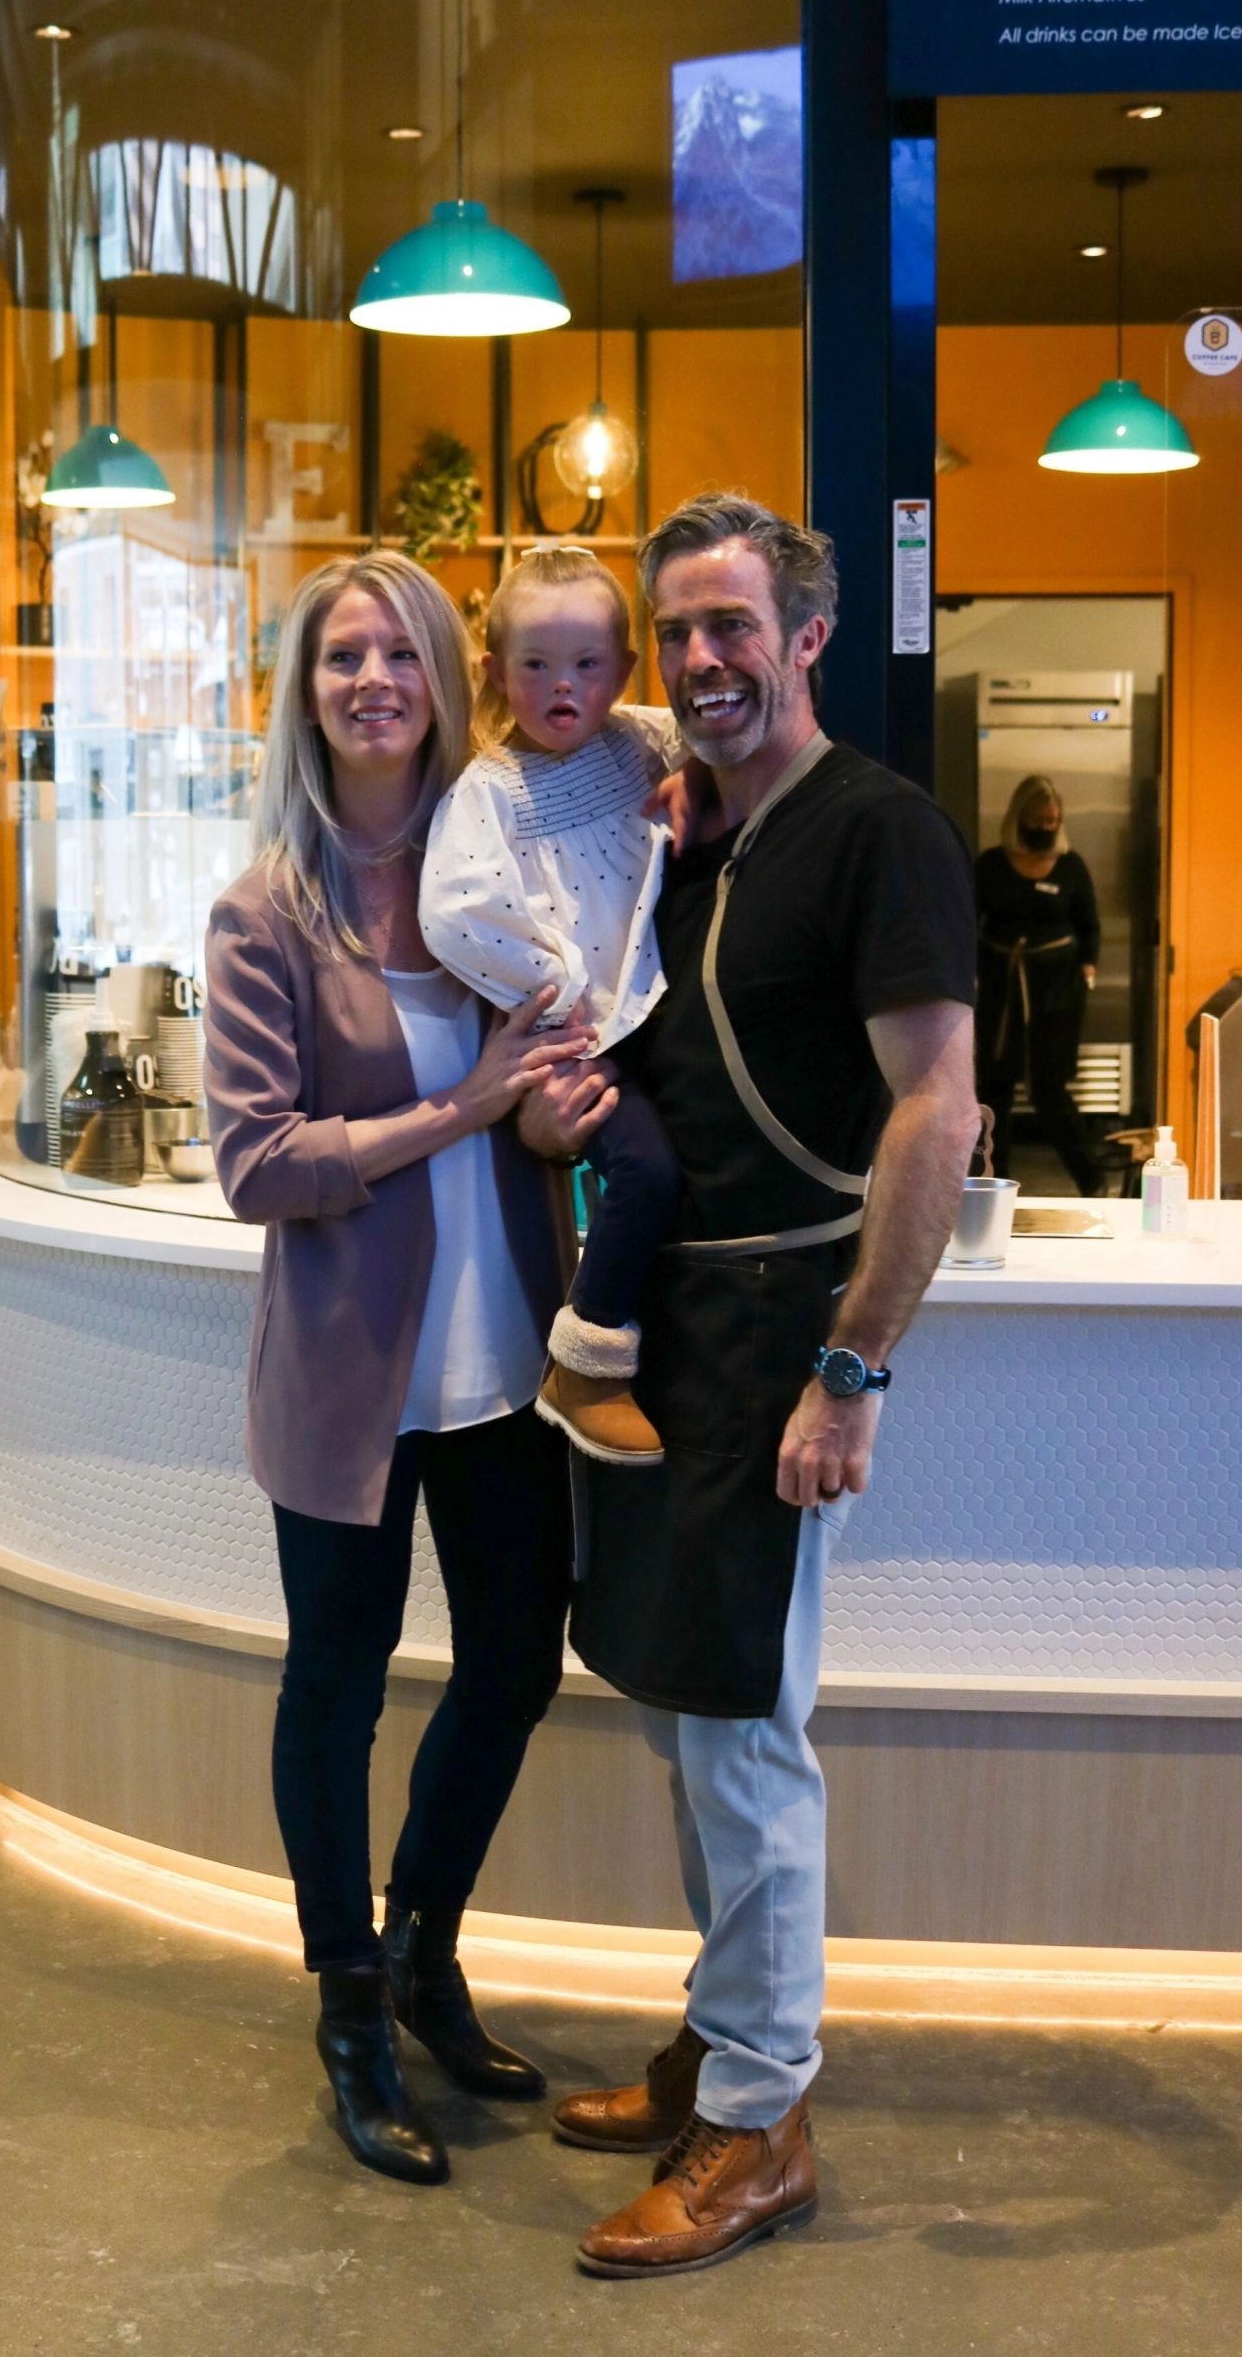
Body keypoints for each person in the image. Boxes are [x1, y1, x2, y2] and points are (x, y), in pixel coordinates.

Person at [520, 493, 980, 2279]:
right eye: (678, 631)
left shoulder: (880, 835)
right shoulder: (685, 842)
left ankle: (763, 2121)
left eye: (733, 627)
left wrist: (852, 1370)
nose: (702, 660)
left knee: (745, 1740)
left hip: (788, 1333)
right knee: (684, 1717)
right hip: (669, 1344)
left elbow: (934, 1116)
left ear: (806, 637)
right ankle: (722, 2051)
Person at [202, 551, 586, 2189]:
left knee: (515, 1661)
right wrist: (456, 1110)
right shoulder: (261, 911)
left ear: (443, 683)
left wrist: (554, 1110)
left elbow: (554, 1085)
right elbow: (256, 1161)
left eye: (400, 655)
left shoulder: (495, 880)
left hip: (504, 1364)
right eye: (342, 656)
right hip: (352, 1384)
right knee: (333, 1694)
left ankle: (422, 1945)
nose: (371, 680)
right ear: (309, 689)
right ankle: (347, 2009)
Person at [419, 545, 684, 1466]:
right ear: (494, 672)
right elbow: (455, 911)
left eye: (585, 665)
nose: (560, 686)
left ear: (623, 669)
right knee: (644, 1170)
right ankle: (586, 1358)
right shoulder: (490, 790)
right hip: (575, 1031)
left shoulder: (645, 743)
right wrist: (559, 992)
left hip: (651, 1007)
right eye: (534, 665)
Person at [974, 773, 1102, 1194]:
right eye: (1039, 820)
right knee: (996, 1090)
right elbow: (967, 921)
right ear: (1019, 818)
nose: (1047, 828)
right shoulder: (991, 865)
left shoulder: (1071, 866)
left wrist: (1088, 968)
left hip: (1057, 992)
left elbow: (1089, 924)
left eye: (1053, 821)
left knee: (1050, 1091)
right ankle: (993, 1185)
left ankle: (1093, 1180)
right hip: (1001, 988)